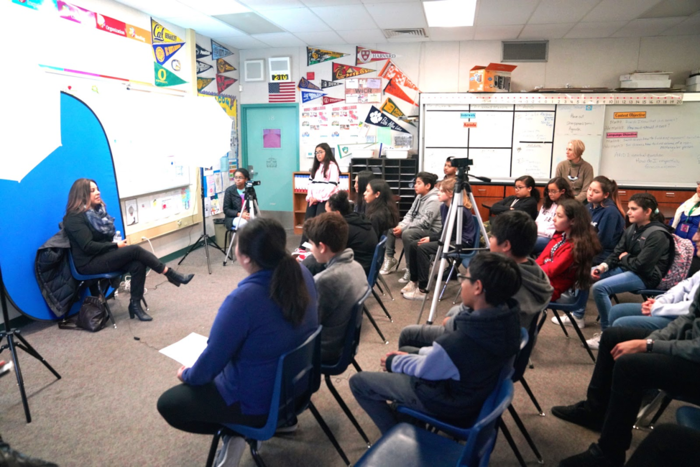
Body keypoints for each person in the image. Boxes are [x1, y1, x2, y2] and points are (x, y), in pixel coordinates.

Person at [157, 218, 318, 467]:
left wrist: (186, 374)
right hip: (295, 391)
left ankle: (238, 430)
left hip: (258, 404)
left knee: (169, 403)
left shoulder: (243, 300)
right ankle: (272, 424)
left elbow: (208, 365)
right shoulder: (303, 273)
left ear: (244, 257)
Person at [349, 253, 522, 435]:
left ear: (477, 287)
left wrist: (394, 362)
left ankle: (399, 435)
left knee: (359, 382)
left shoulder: (460, 342)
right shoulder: (508, 319)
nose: (462, 283)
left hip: (449, 403)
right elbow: (440, 359)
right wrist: (411, 356)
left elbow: (428, 367)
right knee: (408, 350)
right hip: (472, 392)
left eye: (465, 278)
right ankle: (410, 417)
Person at [551, 286, 700, 467]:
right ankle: (595, 412)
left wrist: (650, 346)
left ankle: (608, 454)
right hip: (689, 345)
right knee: (614, 337)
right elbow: (690, 316)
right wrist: (650, 341)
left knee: (630, 367)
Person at [397, 211, 553, 351]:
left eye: (492, 236)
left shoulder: (502, 279)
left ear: (506, 245)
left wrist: (450, 322)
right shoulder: (536, 273)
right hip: (509, 347)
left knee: (409, 336)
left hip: (481, 347)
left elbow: (478, 324)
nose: (489, 240)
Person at [63, 179, 193, 322]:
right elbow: (88, 246)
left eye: (97, 189)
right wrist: (115, 246)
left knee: (137, 264)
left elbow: (102, 240)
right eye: (92, 191)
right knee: (135, 250)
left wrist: (113, 243)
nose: (98, 192)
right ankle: (169, 273)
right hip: (88, 263)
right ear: (81, 195)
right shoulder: (74, 218)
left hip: (102, 256)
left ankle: (135, 305)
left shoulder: (98, 212)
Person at [586, 193, 672, 350]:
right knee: (585, 273)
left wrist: (624, 257)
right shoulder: (632, 228)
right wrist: (603, 267)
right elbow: (617, 252)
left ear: (648, 212)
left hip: (645, 276)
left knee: (600, 287)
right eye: (629, 208)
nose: (628, 212)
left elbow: (641, 266)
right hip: (627, 268)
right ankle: (578, 315)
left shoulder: (657, 234)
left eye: (634, 209)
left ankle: (606, 333)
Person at [303, 212, 368, 364]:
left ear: (322, 247)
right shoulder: (356, 267)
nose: (311, 249)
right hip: (345, 344)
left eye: (312, 244)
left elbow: (307, 325)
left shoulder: (325, 281)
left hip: (325, 350)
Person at [609, 229, 700, 330]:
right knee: (616, 311)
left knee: (621, 323)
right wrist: (661, 301)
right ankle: (605, 339)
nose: (694, 238)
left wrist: (658, 308)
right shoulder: (633, 230)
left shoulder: (658, 235)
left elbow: (693, 308)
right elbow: (683, 287)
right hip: (672, 309)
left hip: (689, 322)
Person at [401, 177, 475, 301]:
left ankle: (423, 290)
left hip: (462, 243)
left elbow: (452, 235)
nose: (437, 193)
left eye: (441, 191)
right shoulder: (444, 207)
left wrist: (430, 239)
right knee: (414, 244)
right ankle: (414, 281)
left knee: (422, 248)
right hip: (450, 238)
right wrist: (430, 237)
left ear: (451, 194)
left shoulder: (459, 210)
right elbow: (444, 232)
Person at [536, 199, 601, 329]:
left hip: (557, 290)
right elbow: (541, 260)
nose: (554, 219)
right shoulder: (560, 236)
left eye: (559, 216)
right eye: (555, 214)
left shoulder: (576, 245)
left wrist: (530, 271)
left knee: (516, 291)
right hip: (546, 282)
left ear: (573, 221)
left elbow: (553, 269)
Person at [380, 172, 441, 277]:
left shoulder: (434, 200)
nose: (415, 185)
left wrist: (404, 229)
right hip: (417, 227)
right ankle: (390, 258)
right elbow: (410, 215)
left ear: (428, 186)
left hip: (432, 231)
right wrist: (401, 226)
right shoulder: (419, 197)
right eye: (415, 183)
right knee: (392, 228)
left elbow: (424, 222)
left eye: (418, 183)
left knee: (407, 234)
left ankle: (410, 267)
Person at [302, 190, 377, 276]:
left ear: (337, 213)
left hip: (355, 271)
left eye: (327, 212)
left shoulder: (343, 228)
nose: (326, 215)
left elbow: (329, 253)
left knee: (311, 265)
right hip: (362, 266)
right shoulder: (357, 219)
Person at [296, 142, 340, 252]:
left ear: (327, 152)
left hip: (324, 200)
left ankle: (317, 247)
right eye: (316, 152)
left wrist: (319, 198)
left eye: (321, 152)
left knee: (319, 224)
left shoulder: (332, 166)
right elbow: (310, 184)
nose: (318, 155)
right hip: (313, 199)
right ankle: (302, 247)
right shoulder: (316, 167)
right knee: (308, 222)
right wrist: (310, 197)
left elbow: (332, 186)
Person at [587, 176, 626, 266]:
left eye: (596, 192)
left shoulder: (610, 212)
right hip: (589, 249)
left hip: (603, 254)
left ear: (606, 195)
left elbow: (603, 241)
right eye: (589, 189)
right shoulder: (589, 206)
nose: (590, 193)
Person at [534, 177, 575, 255]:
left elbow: (560, 229)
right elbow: (538, 221)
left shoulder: (566, 206)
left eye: (553, 191)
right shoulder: (546, 204)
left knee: (524, 244)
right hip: (536, 234)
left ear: (562, 191)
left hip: (551, 238)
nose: (550, 194)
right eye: (549, 191)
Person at [672, 181, 700, 253]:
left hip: (695, 250)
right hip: (678, 247)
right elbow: (675, 220)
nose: (699, 187)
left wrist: (688, 248)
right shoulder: (688, 203)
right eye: (699, 184)